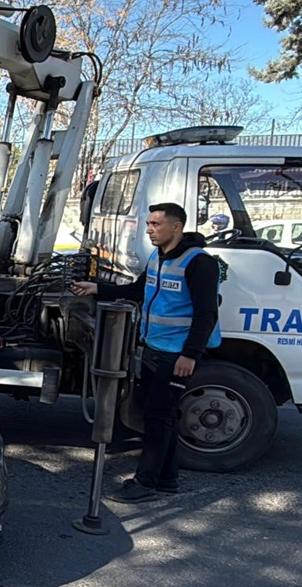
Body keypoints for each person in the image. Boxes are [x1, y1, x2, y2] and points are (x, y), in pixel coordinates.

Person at [70, 202, 221, 503]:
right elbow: (138, 290)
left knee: (156, 416)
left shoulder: (199, 263)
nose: (150, 230)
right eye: (149, 224)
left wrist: (190, 355)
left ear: (176, 227)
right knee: (164, 416)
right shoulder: (158, 256)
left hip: (177, 355)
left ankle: (145, 483)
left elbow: (207, 314)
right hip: (155, 348)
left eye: (156, 224)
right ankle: (167, 478)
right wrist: (96, 288)